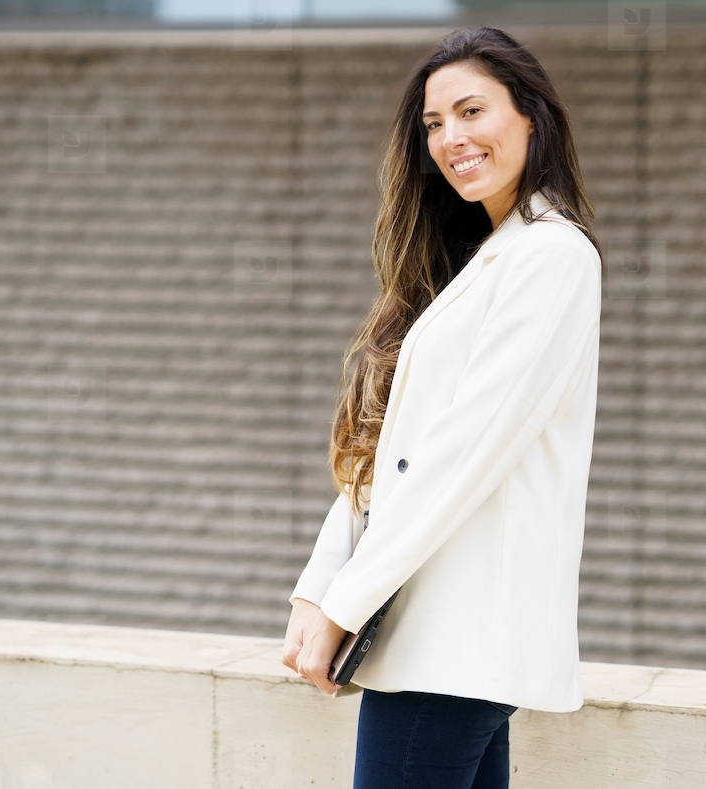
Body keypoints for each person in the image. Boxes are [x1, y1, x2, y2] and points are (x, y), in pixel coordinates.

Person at [280, 25, 605, 789]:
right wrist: (315, 583)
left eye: (471, 111)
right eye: (434, 124)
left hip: (455, 644)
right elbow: (401, 453)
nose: (451, 138)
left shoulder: (552, 257)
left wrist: (343, 603)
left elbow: (462, 455)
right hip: (446, 644)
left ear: (531, 116)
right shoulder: (486, 261)